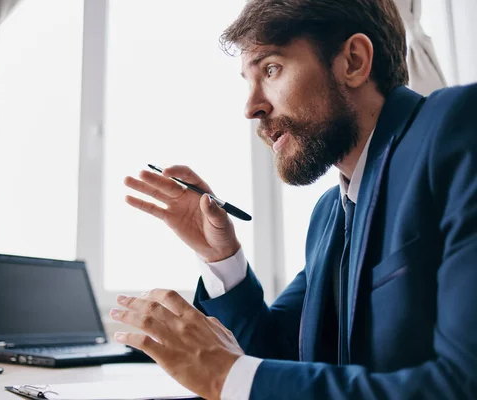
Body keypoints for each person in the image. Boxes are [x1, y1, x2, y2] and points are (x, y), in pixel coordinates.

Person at [110, 0, 477, 398]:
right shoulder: (328, 216)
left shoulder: (459, 126)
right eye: (247, 82)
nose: (252, 107)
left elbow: (462, 385)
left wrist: (223, 376)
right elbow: (277, 359)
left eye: (271, 69)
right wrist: (222, 258)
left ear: (353, 61)